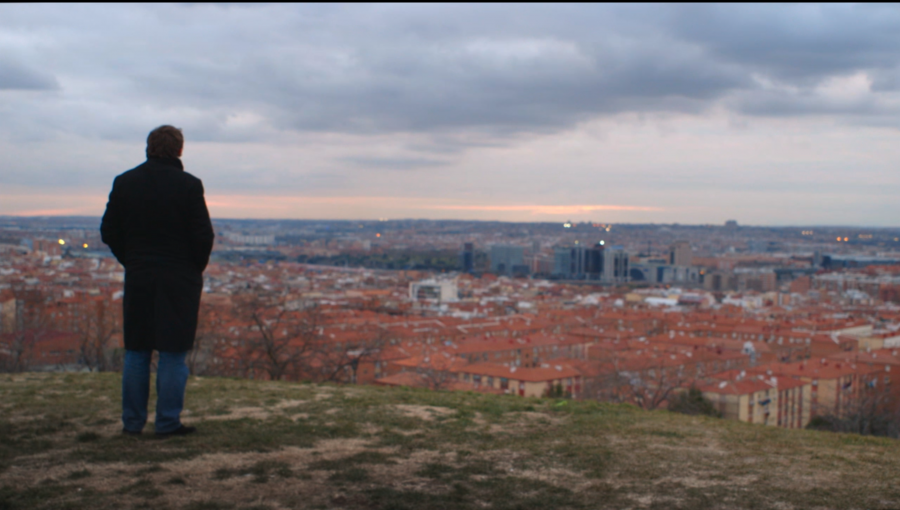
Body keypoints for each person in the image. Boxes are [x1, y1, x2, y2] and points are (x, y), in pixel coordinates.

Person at [101, 125, 214, 437]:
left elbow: (108, 231)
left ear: (148, 148)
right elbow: (203, 236)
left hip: (139, 276)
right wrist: (192, 268)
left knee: (137, 352)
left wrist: (132, 259)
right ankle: (167, 423)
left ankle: (132, 424)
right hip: (179, 279)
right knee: (173, 352)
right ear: (179, 150)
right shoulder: (189, 185)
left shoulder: (125, 182)